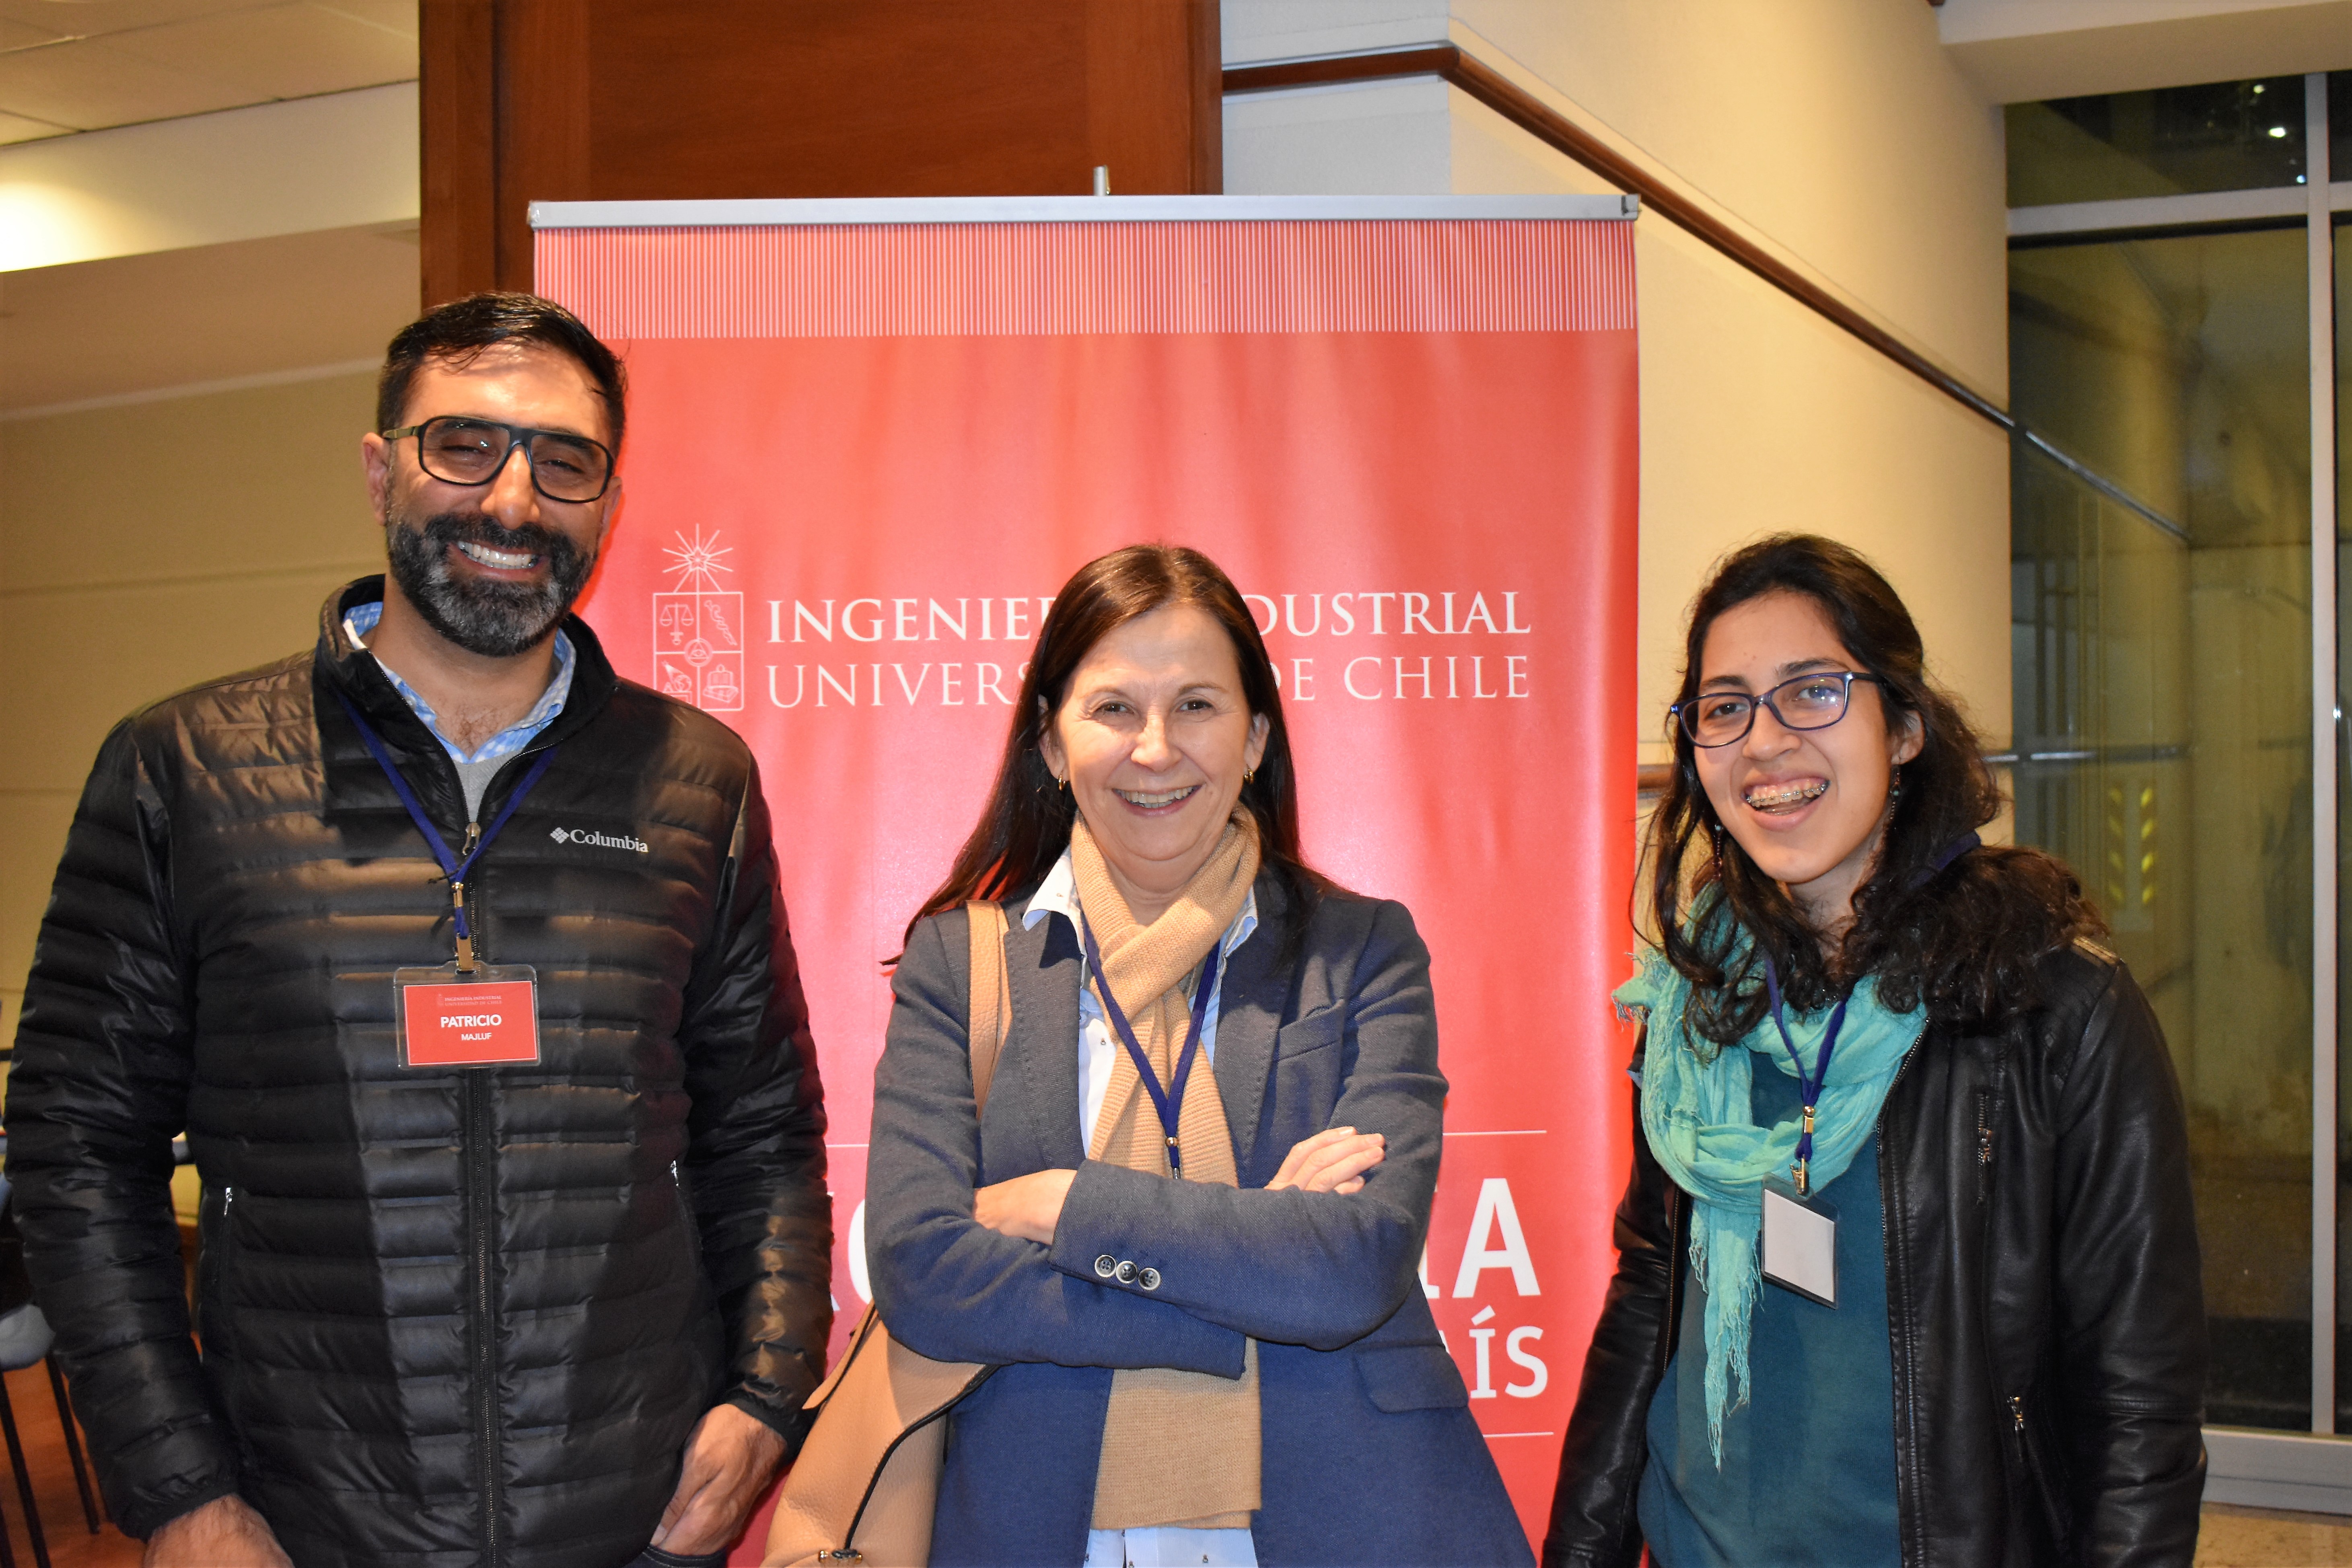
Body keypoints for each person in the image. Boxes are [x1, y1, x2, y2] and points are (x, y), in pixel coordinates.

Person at [5, 293, 831, 1568]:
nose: (513, 500)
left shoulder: (694, 779)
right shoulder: (187, 770)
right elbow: (77, 1147)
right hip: (299, 1523)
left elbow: (761, 1127)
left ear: (610, 505)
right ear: (380, 469)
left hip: (634, 1517)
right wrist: (179, 1487)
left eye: (564, 461)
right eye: (465, 445)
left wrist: (766, 1395)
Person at [1544, 534, 2206, 1566]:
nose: (1763, 743)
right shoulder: (1694, 1003)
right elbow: (1647, 1297)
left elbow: (2140, 1405)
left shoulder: (2052, 1010)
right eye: (1723, 708)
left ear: (1902, 728)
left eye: (1811, 691)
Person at [863, 544, 1530, 1566]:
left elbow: (1353, 1268)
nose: (1156, 748)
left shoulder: (1361, 950)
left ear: (1254, 737)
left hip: (1350, 1516)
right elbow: (921, 1271)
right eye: (1113, 708)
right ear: (1051, 743)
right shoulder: (959, 964)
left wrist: (1060, 1207)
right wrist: (1247, 1275)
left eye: (1196, 706)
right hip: (1042, 1523)